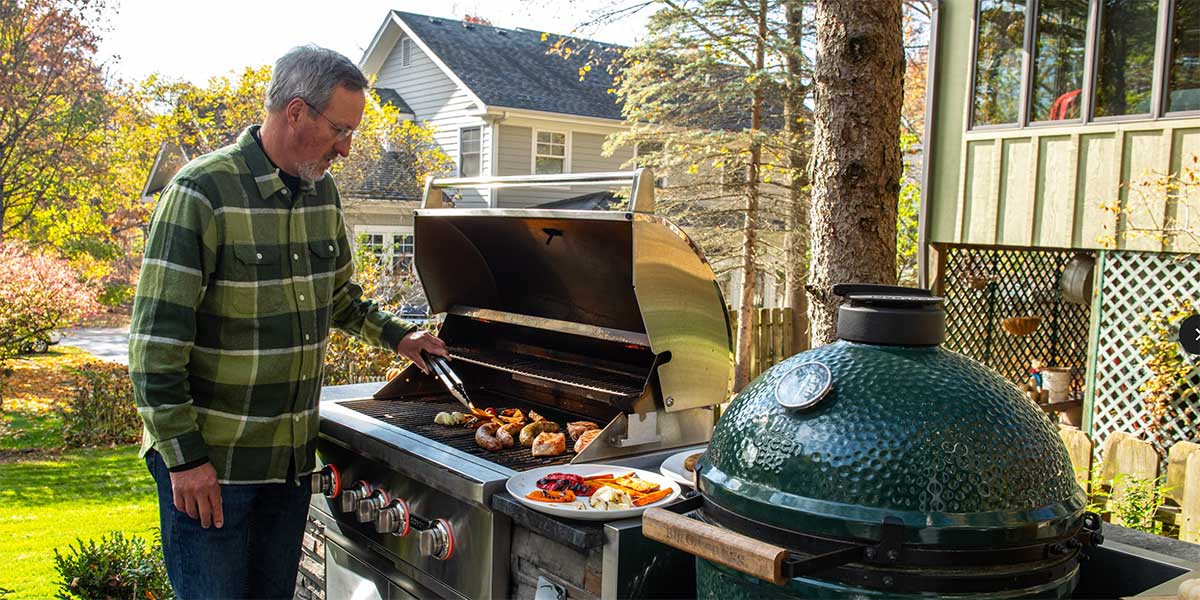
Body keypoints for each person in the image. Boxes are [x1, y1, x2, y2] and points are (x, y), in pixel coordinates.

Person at [128, 45, 448, 599]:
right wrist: (186, 461)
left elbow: (340, 296)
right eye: (341, 130)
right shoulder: (201, 193)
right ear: (296, 112)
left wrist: (402, 336)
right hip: (215, 469)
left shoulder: (322, 192)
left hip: (288, 466)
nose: (347, 149)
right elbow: (155, 347)